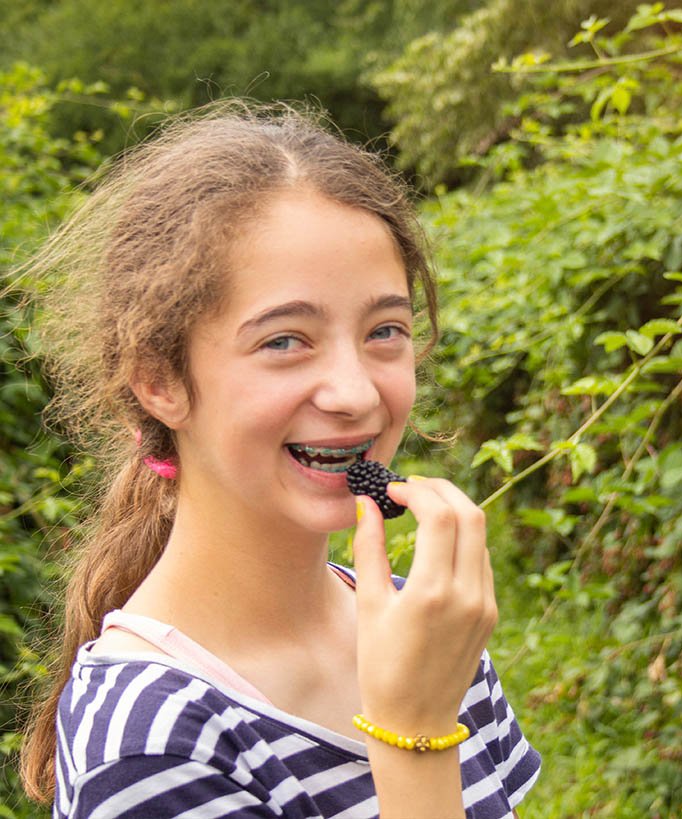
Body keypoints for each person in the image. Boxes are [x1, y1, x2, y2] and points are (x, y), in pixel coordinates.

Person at [18, 102, 540, 818]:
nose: (356, 394)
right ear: (159, 380)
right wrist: (412, 733)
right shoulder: (150, 744)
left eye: (385, 330)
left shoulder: (416, 625)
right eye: (285, 340)